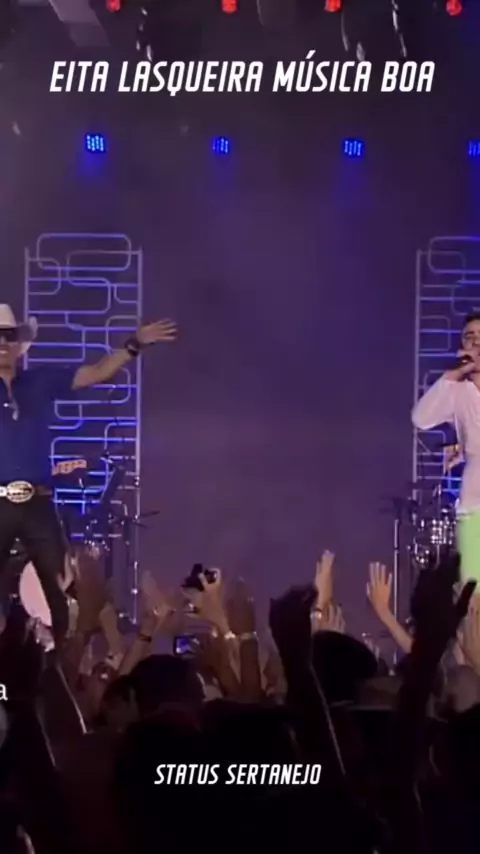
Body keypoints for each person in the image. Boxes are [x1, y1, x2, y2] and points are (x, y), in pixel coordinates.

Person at [0, 304, 177, 643]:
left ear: (18, 343)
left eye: (8, 336)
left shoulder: (39, 381)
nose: (3, 343)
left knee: (63, 592)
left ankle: (63, 659)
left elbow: (97, 372)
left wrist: (134, 344)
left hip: (38, 503)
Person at [412, 311, 480, 584]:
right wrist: (453, 375)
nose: (476, 343)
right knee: (474, 594)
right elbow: (421, 418)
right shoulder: (457, 390)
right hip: (474, 507)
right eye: (469, 337)